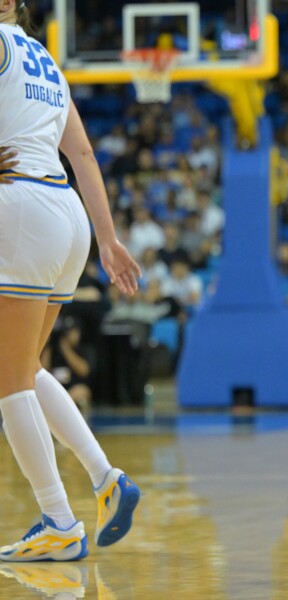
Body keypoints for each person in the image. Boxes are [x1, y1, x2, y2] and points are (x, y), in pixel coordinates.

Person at [0, 2, 141, 561]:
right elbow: (81, 152)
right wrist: (107, 240)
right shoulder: (46, 62)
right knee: (27, 369)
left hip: (21, 205)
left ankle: (58, 519)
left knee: (8, 378)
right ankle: (107, 479)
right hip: (67, 213)